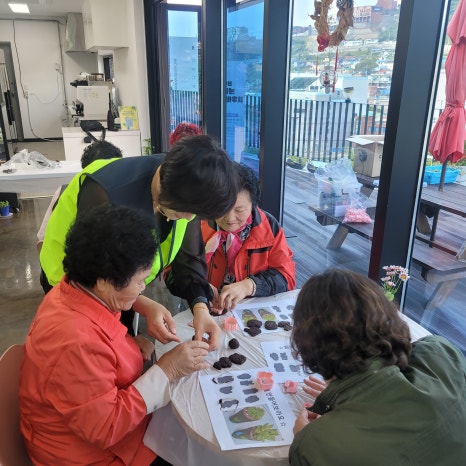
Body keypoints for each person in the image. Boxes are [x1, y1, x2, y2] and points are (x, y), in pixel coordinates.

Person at [20, 204, 210, 465]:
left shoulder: (73, 286)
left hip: (90, 431)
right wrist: (167, 370)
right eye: (140, 281)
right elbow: (106, 428)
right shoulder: (75, 341)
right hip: (91, 455)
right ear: (104, 282)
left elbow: (97, 348)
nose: (143, 287)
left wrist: (128, 341)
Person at [39, 135, 239, 349]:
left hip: (123, 291)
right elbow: (98, 283)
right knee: (97, 352)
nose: (190, 219)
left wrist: (200, 308)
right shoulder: (107, 192)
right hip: (77, 288)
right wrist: (139, 314)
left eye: (196, 214)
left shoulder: (186, 193)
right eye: (187, 212)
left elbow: (188, 259)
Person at [289, 269, 466, 466]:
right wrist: (351, 398)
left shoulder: (314, 444)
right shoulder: (442, 352)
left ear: (308, 346)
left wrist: (303, 439)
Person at [198, 163, 295, 311]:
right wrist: (197, 287)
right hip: (204, 308)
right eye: (222, 209)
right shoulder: (196, 224)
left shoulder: (269, 227)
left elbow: (286, 277)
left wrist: (250, 285)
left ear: (253, 205)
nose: (230, 219)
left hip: (251, 310)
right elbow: (175, 271)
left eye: (239, 210)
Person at [36, 140, 123, 252]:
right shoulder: (123, 192)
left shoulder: (64, 191)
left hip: (62, 264)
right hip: (98, 263)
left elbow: (42, 237)